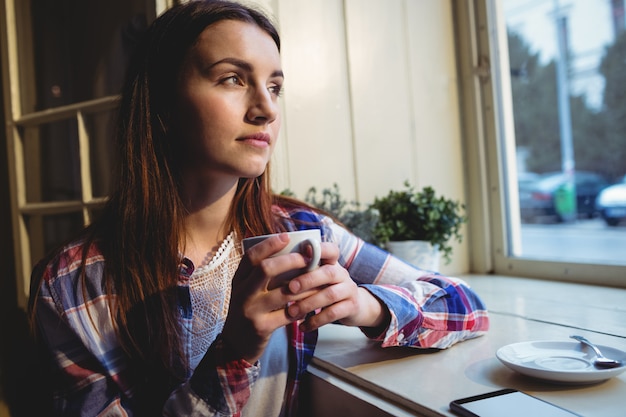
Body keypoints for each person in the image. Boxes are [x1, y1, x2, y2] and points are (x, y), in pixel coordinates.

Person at [28, 1, 490, 416]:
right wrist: (234, 353)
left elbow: (467, 306)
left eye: (275, 85)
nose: (266, 108)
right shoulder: (71, 285)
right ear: (161, 103)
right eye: (233, 79)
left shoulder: (303, 233)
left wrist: (367, 305)